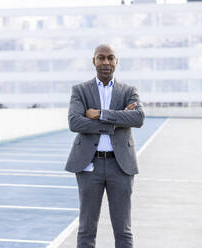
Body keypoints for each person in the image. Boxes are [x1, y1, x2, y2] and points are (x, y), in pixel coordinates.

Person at [65, 44, 145, 248]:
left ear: (116, 61)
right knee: (86, 229)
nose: (106, 62)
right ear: (94, 61)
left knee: (123, 230)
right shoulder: (80, 91)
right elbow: (75, 122)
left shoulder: (129, 91)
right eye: (101, 58)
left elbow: (138, 118)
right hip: (89, 165)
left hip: (121, 166)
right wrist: (118, 120)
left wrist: (100, 114)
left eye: (111, 58)